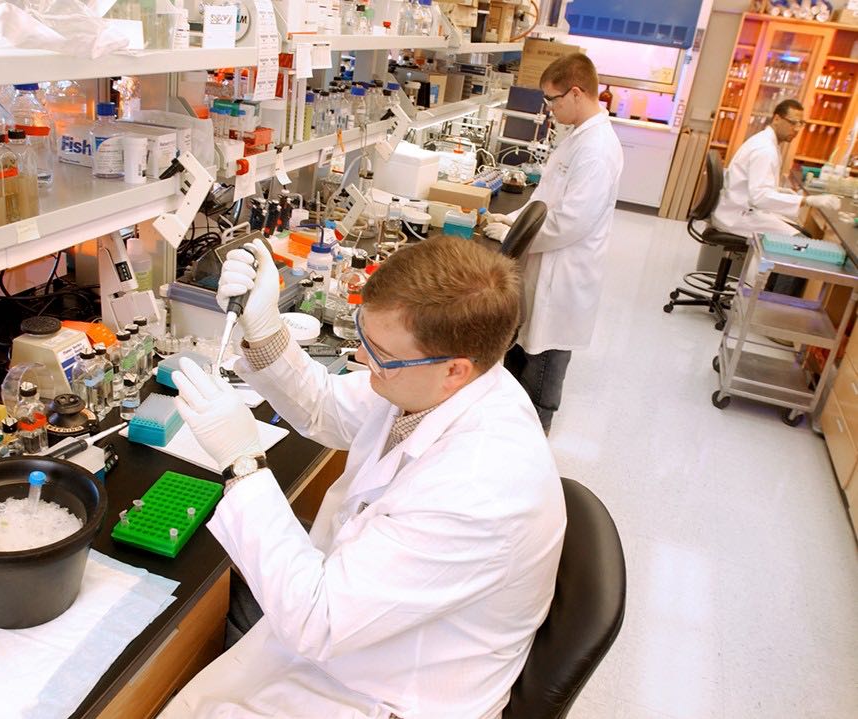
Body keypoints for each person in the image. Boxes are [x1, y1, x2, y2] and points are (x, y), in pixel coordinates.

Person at [160, 236, 566, 719]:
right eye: (363, 333)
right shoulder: (438, 383)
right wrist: (265, 325)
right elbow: (325, 407)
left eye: (381, 353)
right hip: (358, 630)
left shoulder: (481, 488)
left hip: (392, 693)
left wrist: (244, 461)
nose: (361, 356)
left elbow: (320, 621)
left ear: (455, 370)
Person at [482, 53, 623, 433]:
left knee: (543, 368)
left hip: (563, 276)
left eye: (553, 100)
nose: (549, 109)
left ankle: (534, 442)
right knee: (523, 355)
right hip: (546, 268)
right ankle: (509, 433)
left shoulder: (596, 149)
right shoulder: (578, 138)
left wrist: (515, 238)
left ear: (576, 93)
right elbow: (546, 199)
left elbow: (569, 222)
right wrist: (510, 219)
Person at [712, 99, 840, 237]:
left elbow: (754, 185)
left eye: (801, 124)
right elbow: (760, 197)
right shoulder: (765, 150)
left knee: (798, 228)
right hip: (739, 216)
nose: (797, 129)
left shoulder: (766, 142)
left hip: (740, 208)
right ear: (777, 118)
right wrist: (807, 200)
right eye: (793, 123)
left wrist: (779, 191)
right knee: (801, 240)